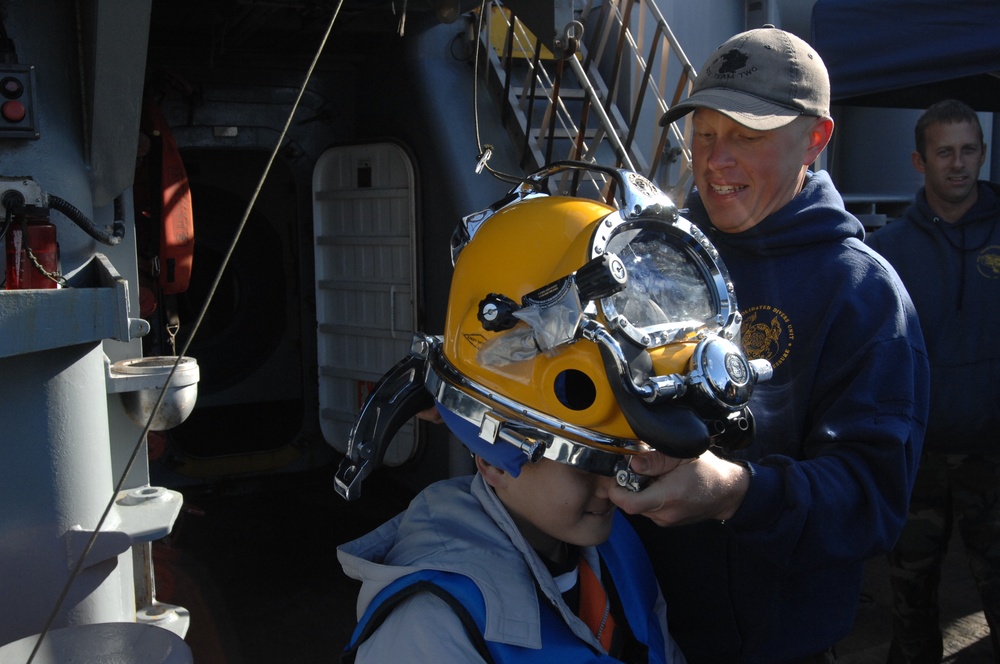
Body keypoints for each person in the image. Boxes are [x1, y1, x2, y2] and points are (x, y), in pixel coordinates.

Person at [334, 164, 768, 662]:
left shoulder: (617, 551)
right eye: (592, 462)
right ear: (494, 458)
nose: (620, 489)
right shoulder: (431, 631)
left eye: (630, 459)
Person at [608, 26, 930, 663]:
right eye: (704, 134)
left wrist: (734, 493)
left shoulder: (863, 294)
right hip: (636, 629)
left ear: (815, 138)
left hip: (776, 645)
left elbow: (870, 500)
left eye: (746, 136)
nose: (715, 160)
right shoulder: (648, 258)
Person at [865, 98, 1000, 663]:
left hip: (993, 456)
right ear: (919, 161)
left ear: (983, 154)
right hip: (915, 460)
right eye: (944, 152)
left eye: (969, 150)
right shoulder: (887, 251)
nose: (958, 164)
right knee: (911, 597)